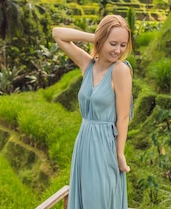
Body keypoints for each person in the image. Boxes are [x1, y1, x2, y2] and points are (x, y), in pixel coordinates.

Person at [52, 14, 133, 209]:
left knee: (99, 199)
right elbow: (58, 34)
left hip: (105, 145)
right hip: (84, 142)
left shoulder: (120, 70)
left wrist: (119, 154)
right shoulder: (88, 65)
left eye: (123, 45)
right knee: (85, 198)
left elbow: (122, 117)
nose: (118, 50)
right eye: (112, 43)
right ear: (102, 39)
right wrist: (95, 37)